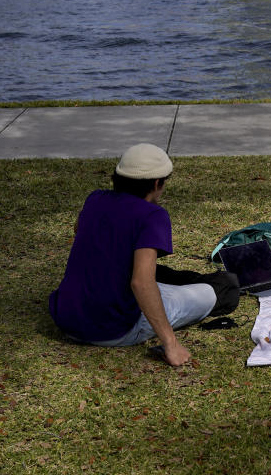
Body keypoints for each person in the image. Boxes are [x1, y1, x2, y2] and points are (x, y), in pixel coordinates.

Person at [48, 144, 216, 366]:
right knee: (207, 294)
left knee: (160, 285)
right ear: (157, 183)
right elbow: (141, 282)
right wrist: (171, 344)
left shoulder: (95, 198)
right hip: (113, 329)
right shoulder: (153, 215)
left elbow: (79, 229)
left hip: (66, 319)